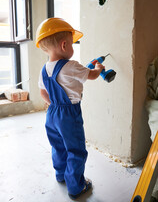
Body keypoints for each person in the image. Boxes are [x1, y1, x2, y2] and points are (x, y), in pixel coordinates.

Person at [36, 17, 104, 199]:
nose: (73, 48)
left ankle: (60, 175)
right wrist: (98, 67)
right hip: (69, 115)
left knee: (58, 145)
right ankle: (76, 187)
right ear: (64, 45)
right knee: (76, 149)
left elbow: (43, 94)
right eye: (73, 44)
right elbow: (92, 76)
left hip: (52, 114)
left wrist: (55, 106)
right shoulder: (72, 66)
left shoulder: (44, 69)